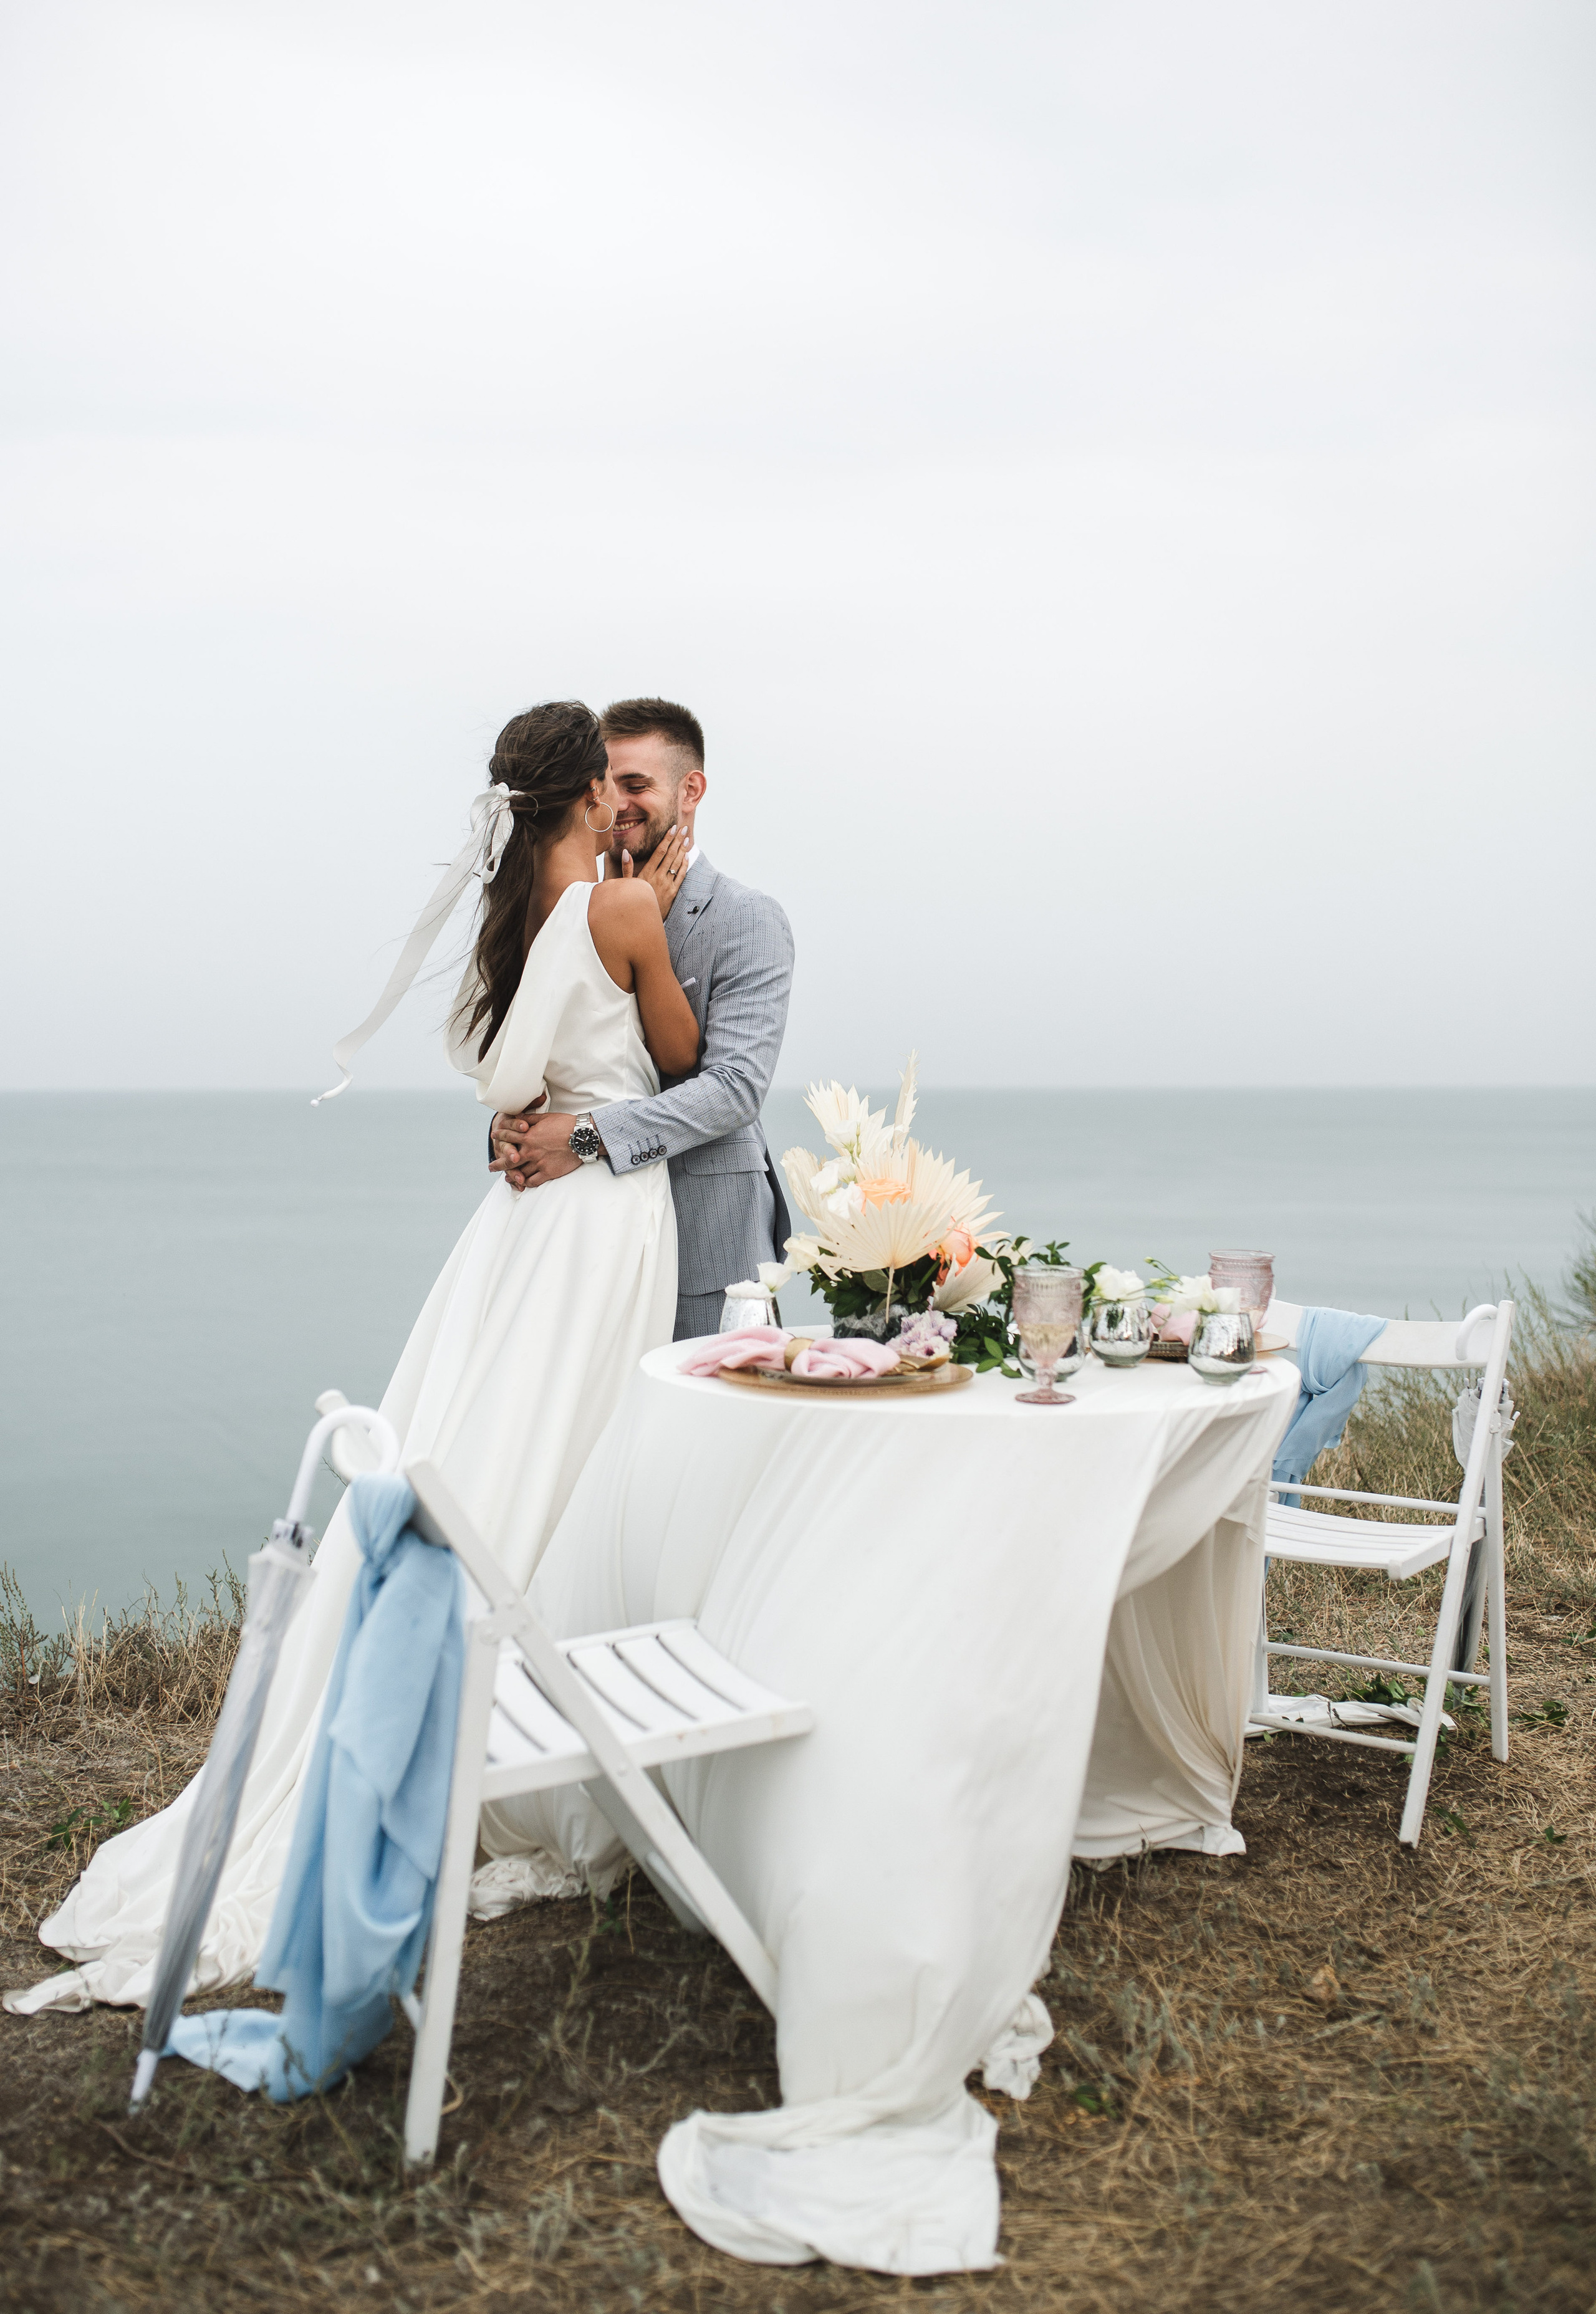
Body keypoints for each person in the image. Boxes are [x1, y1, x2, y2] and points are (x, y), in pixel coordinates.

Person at [13, 701, 701, 2013]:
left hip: (514, 1226)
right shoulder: (616, 911)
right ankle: (541, 1743)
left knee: (487, 1439)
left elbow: (502, 1079)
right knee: (569, 1448)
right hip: (604, 1217)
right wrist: (649, 918)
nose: (627, 808)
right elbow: (678, 1059)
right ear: (579, 799)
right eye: (608, 787)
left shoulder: (507, 924)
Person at [490, 697, 795, 1341]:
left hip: (705, 1243)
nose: (619, 803)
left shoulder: (747, 917)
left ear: (691, 789)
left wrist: (582, 1137)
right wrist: (511, 1127)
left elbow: (734, 1089)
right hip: (580, 1238)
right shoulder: (551, 911)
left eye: (639, 784)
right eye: (610, 783)